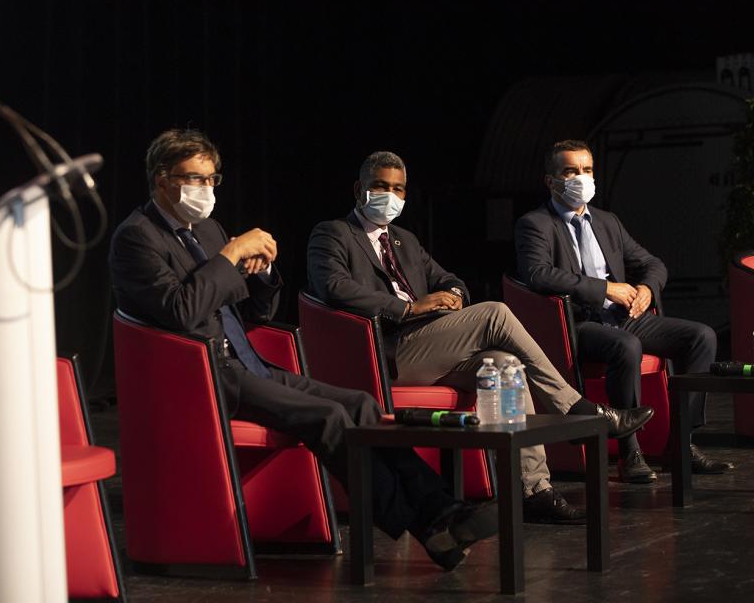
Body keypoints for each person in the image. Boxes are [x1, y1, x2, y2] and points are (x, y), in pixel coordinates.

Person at [110, 129, 498, 571]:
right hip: (201, 374)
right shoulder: (136, 238)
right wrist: (232, 254)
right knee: (329, 417)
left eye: (211, 179)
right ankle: (427, 525)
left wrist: (262, 272)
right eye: (194, 179)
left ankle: (442, 508)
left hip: (245, 362)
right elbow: (181, 311)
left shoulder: (208, 230)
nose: (206, 189)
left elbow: (256, 312)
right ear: (162, 179)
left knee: (361, 404)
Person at [307, 150, 654, 523]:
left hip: (430, 346)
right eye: (380, 186)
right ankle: (575, 407)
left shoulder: (404, 239)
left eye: (398, 189)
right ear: (359, 189)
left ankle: (533, 489)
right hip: (385, 353)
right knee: (495, 313)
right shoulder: (333, 233)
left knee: (506, 366)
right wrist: (409, 308)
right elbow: (333, 287)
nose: (390, 196)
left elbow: (449, 279)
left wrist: (454, 294)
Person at [514, 139, 734, 482]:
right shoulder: (535, 224)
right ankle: (630, 451)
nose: (581, 178)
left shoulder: (607, 221)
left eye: (587, 170)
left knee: (701, 337)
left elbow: (653, 264)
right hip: (578, 323)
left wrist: (646, 289)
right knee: (626, 346)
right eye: (570, 171)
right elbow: (538, 274)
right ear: (550, 180)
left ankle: (681, 443)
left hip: (622, 318)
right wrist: (605, 289)